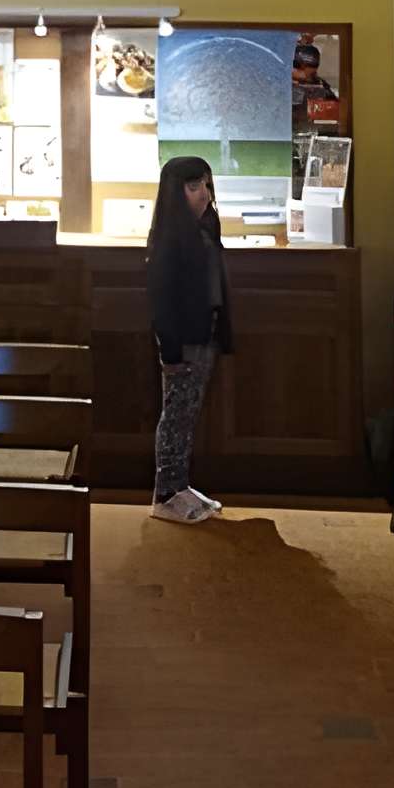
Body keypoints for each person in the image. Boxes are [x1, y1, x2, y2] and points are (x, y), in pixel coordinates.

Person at [145, 154, 234, 523]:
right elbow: (162, 302)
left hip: (206, 332)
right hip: (183, 340)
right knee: (176, 416)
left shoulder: (205, 230)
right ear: (174, 192)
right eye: (193, 187)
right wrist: (170, 349)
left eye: (207, 186)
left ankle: (181, 485)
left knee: (190, 413)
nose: (203, 195)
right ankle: (166, 492)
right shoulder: (169, 240)